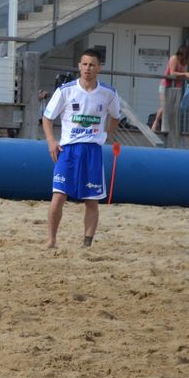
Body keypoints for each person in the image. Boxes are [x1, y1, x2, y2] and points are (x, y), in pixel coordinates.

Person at [42, 49, 121, 249]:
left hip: (92, 151)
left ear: (99, 68)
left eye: (92, 65)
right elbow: (47, 118)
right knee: (58, 196)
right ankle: (51, 240)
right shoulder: (66, 90)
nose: (88, 68)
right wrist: (51, 141)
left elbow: (116, 117)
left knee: (91, 200)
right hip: (68, 150)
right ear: (79, 66)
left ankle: (87, 243)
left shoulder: (108, 93)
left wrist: (105, 136)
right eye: (84, 64)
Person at [150, 44, 189, 132]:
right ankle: (156, 123)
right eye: (184, 54)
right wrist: (185, 74)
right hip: (165, 85)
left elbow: (182, 74)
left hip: (175, 88)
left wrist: (187, 75)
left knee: (172, 108)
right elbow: (172, 73)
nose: (184, 57)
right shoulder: (174, 58)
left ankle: (169, 128)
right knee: (164, 106)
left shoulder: (183, 62)